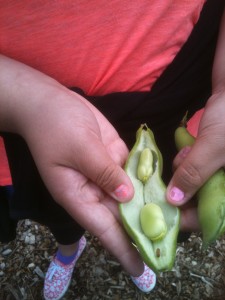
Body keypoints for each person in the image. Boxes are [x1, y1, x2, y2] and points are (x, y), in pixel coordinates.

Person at [0, 0, 225, 299]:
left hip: (167, 90)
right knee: (60, 207)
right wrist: (25, 102)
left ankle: (141, 244)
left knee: (156, 193)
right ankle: (68, 249)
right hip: (23, 112)